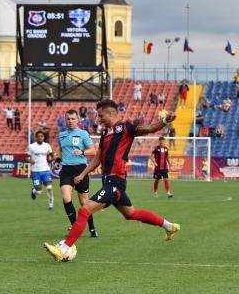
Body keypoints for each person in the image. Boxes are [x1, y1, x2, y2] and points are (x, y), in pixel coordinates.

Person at [44, 100, 180, 262]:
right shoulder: (104, 134)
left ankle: (63, 248)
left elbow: (149, 128)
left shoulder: (126, 128)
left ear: (111, 113)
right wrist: (83, 174)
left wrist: (165, 121)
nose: (98, 119)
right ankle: (170, 226)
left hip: (116, 182)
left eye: (101, 115)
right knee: (131, 213)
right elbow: (97, 160)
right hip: (108, 182)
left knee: (84, 209)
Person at [53, 110, 98, 237]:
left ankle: (92, 228)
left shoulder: (83, 134)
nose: (70, 121)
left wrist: (82, 152)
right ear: (65, 120)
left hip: (81, 170)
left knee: (84, 203)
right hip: (66, 170)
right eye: (68, 119)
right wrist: (57, 161)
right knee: (66, 197)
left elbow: (93, 151)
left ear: (78, 120)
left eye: (73, 119)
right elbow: (61, 150)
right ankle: (75, 227)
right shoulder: (61, 135)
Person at [26, 131, 55, 210]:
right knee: (39, 192)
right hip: (35, 171)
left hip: (45, 170)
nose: (40, 137)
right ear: (36, 137)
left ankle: (51, 205)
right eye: (38, 136)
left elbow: (52, 155)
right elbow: (27, 156)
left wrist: (53, 161)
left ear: (44, 137)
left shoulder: (47, 146)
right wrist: (30, 160)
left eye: (42, 136)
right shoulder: (31, 146)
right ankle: (34, 191)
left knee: (49, 187)